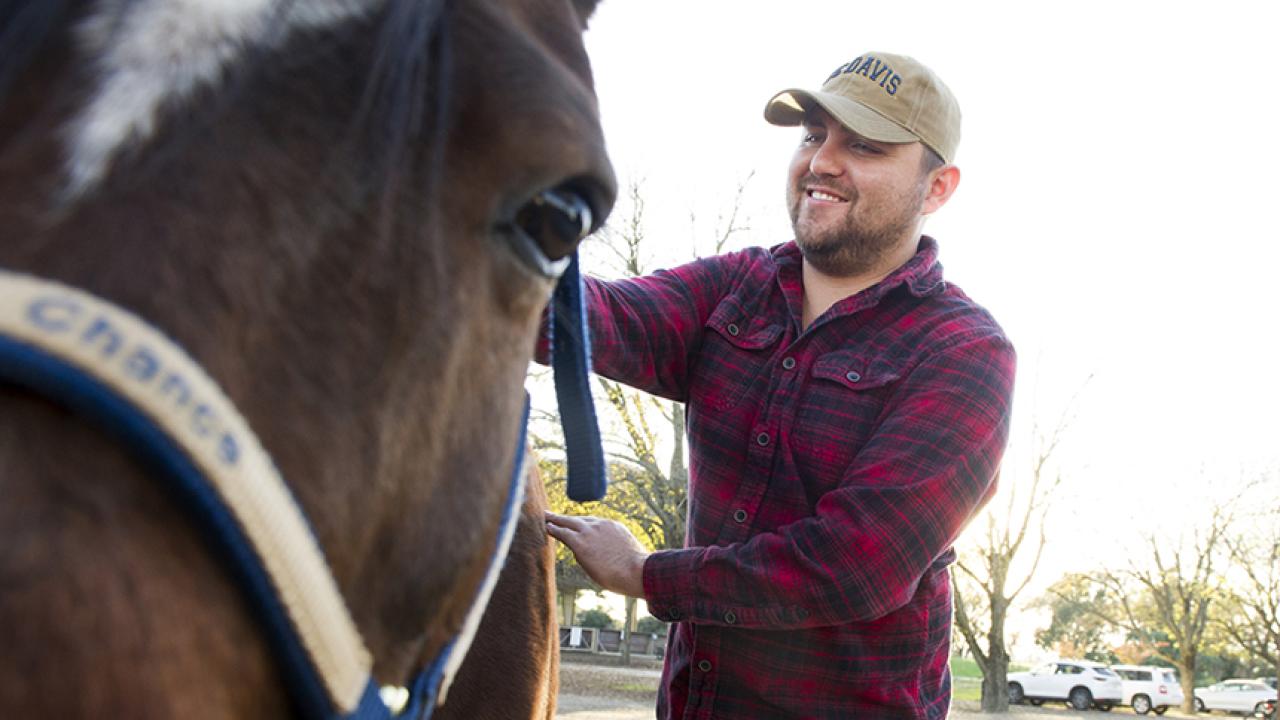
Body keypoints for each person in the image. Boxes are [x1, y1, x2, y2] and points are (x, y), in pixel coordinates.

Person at [544, 50, 1016, 719]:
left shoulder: (964, 352)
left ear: (937, 188)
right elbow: (600, 318)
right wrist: (493, 253)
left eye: (866, 146)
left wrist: (646, 576)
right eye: (813, 136)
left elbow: (853, 565)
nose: (822, 161)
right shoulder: (740, 286)